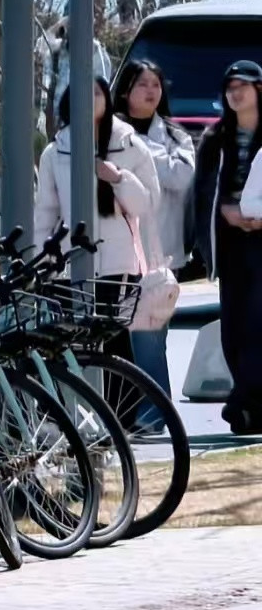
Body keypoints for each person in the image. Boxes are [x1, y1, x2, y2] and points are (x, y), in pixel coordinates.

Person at [34, 75, 161, 364]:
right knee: (70, 349)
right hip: (69, 264)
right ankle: (75, 408)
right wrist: (40, 261)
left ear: (107, 98)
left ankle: (120, 410)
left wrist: (118, 178)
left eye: (96, 93)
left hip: (119, 265)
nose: (89, 100)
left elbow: (148, 204)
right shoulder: (55, 152)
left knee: (116, 349)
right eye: (82, 93)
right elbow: (45, 213)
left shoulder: (130, 145)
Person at [112, 59, 195, 401]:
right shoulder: (108, 135)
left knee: (150, 332)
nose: (150, 91)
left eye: (155, 85)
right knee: (115, 337)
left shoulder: (176, 137)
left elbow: (183, 178)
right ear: (126, 90)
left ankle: (154, 414)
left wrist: (142, 153)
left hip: (159, 252)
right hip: (114, 251)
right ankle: (127, 412)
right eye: (142, 84)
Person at [188, 60, 262, 433]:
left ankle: (246, 402)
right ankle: (247, 401)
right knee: (234, 324)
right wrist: (226, 215)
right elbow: (203, 196)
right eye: (230, 87)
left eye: (243, 86)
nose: (236, 93)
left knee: (257, 320)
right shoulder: (215, 140)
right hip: (231, 242)